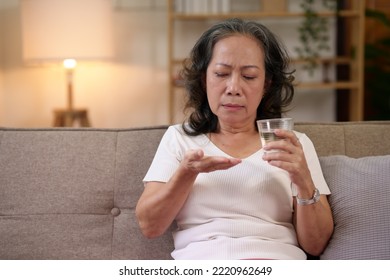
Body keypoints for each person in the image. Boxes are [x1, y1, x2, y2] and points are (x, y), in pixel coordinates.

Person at [136, 18, 334, 260]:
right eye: (221, 73)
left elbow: (315, 245)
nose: (233, 87)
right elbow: (149, 226)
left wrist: (303, 180)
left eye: (249, 76)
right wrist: (187, 172)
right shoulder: (179, 138)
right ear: (204, 79)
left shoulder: (294, 144)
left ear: (266, 85)